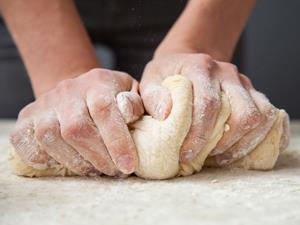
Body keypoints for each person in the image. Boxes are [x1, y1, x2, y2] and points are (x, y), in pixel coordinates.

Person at [1, 0, 273, 176]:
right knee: (54, 129)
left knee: (204, 103)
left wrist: (196, 46)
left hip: (188, 8)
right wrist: (61, 71)